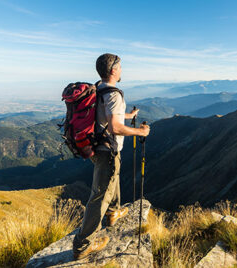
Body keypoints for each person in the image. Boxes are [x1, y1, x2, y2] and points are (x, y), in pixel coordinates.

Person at [72, 53, 151, 260]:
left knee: (110, 179)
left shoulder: (98, 88)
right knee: (99, 195)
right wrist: (140, 132)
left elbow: (105, 116)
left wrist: (128, 116)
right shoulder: (114, 94)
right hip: (107, 150)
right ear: (114, 70)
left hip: (96, 147)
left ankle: (113, 211)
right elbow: (115, 127)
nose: (122, 70)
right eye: (121, 67)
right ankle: (83, 244)